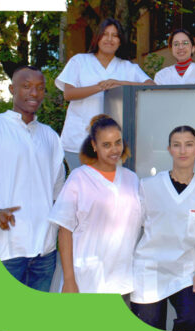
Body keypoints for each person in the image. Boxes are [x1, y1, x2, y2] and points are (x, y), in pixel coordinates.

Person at [0, 65, 64, 292]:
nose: (34, 93)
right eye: (26, 86)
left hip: (44, 251)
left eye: (40, 88)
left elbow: (58, 191)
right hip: (4, 248)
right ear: (12, 89)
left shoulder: (50, 136)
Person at [48, 115, 142, 298]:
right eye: (106, 145)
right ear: (94, 145)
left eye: (118, 142)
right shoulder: (79, 178)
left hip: (121, 280)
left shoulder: (131, 179)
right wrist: (69, 279)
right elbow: (64, 231)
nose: (114, 150)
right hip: (86, 281)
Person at [130, 126, 195, 331]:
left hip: (186, 271)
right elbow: (132, 225)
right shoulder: (148, 186)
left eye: (189, 145)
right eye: (176, 145)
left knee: (191, 320)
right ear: (169, 149)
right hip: (150, 268)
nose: (183, 151)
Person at [55, 17, 155, 172]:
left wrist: (119, 83)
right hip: (79, 139)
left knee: (110, 185)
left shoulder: (127, 67)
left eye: (115, 35)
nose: (109, 39)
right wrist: (100, 87)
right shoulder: (80, 61)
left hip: (114, 145)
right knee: (82, 184)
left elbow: (151, 86)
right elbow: (69, 93)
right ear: (97, 38)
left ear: (120, 41)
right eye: (105, 34)